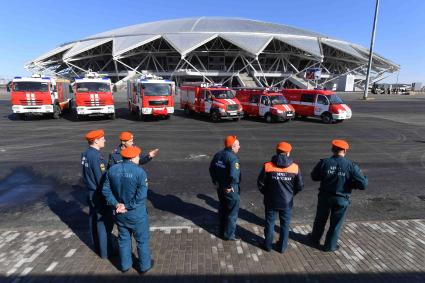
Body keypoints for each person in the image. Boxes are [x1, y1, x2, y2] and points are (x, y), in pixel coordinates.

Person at [102, 146, 154, 274]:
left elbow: (105, 190)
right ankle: (144, 266)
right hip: (136, 214)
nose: (138, 158)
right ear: (131, 158)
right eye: (137, 156)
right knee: (142, 241)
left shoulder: (112, 170)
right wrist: (127, 206)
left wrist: (117, 204)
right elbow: (141, 196)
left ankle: (125, 265)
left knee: (123, 239)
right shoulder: (139, 172)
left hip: (120, 214)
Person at [309, 139, 368, 252]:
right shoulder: (351, 166)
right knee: (336, 224)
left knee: (320, 219)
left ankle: (314, 238)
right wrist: (354, 183)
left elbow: (314, 177)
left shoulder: (324, 162)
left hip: (325, 197)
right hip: (341, 199)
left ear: (332, 149)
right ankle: (329, 246)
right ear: (345, 151)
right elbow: (363, 185)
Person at [257, 142, 303, 253]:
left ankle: (267, 246)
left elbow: (260, 183)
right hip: (287, 202)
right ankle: (282, 248)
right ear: (288, 153)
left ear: (277, 152)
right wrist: (291, 194)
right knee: (285, 225)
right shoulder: (295, 168)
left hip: (271, 200)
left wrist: (267, 194)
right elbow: (300, 186)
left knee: (269, 223)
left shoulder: (268, 166)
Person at [80, 129, 113, 259]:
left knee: (93, 220)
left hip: (90, 192)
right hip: (98, 194)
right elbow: (102, 179)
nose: (104, 140)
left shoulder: (85, 154)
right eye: (102, 138)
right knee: (104, 223)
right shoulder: (96, 157)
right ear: (95, 140)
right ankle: (106, 252)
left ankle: (98, 247)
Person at [209, 135, 241, 240]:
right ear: (232, 147)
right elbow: (234, 175)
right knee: (232, 212)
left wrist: (215, 181)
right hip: (230, 189)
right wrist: (229, 186)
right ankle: (229, 235)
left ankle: (222, 230)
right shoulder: (232, 158)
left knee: (223, 209)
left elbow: (211, 169)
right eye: (237, 145)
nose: (239, 147)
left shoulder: (218, 155)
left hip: (220, 188)